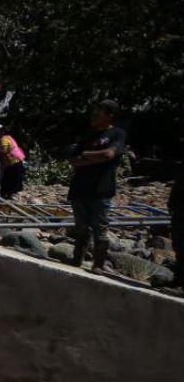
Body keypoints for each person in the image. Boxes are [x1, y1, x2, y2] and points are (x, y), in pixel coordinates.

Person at [66, 99, 127, 272]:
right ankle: (77, 260)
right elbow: (74, 160)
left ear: (109, 115)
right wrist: (94, 158)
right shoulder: (87, 134)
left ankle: (98, 265)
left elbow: (109, 154)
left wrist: (86, 155)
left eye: (98, 112)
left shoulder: (117, 134)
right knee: (81, 229)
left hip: (101, 189)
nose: (94, 115)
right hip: (79, 188)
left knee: (100, 229)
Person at [0, 129, 27, 198]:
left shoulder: (3, 139)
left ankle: (7, 193)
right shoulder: (9, 137)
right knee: (14, 178)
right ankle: (11, 193)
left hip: (11, 160)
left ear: (2, 133)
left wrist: (3, 163)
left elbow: (4, 151)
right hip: (18, 159)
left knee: (8, 177)